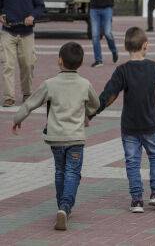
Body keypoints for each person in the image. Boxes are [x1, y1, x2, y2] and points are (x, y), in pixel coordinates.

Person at [91, 27, 155, 213]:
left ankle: (136, 199)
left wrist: (91, 112)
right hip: (150, 124)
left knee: (132, 162)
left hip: (129, 126)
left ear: (126, 47)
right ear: (145, 45)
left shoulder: (122, 71)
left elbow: (109, 95)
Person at [12, 42, 100, 230]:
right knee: (73, 173)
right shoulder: (85, 84)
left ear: (59, 60)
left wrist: (17, 118)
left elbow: (30, 104)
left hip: (56, 139)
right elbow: (95, 104)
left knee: (60, 171)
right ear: (81, 62)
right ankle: (65, 206)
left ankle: (62, 207)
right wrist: (85, 115)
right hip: (75, 138)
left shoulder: (49, 84)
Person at [0, 0, 45, 107]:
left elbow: (40, 6)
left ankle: (27, 93)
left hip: (27, 32)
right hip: (8, 32)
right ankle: (8, 97)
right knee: (7, 65)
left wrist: (32, 16)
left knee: (27, 64)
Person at [89, 0, 119, 68]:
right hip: (94, 9)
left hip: (107, 8)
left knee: (107, 33)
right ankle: (98, 60)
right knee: (95, 35)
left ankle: (114, 50)